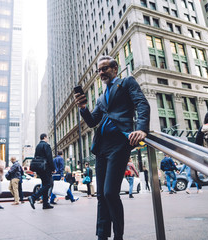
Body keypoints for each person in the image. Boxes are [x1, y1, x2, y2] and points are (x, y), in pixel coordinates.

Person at [74, 55, 150, 240]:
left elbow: (142, 104)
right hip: (101, 146)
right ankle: (102, 235)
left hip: (119, 143)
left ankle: (118, 235)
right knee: (101, 194)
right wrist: (83, 108)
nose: (101, 73)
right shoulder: (101, 98)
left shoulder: (126, 83)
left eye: (105, 68)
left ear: (115, 69)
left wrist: (141, 129)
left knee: (110, 192)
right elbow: (93, 121)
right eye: (99, 70)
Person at [28, 133, 56, 210]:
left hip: (39, 168)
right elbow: (49, 158)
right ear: (44, 137)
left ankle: (45, 204)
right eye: (47, 138)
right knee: (48, 184)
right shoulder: (46, 145)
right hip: (45, 168)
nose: (48, 139)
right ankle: (33, 197)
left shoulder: (37, 146)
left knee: (44, 184)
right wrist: (53, 168)